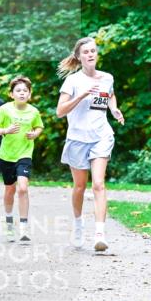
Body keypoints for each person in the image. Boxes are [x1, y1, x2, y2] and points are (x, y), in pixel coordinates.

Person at [55, 36, 125, 252]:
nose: (90, 54)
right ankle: (77, 225)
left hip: (101, 135)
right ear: (79, 56)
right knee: (79, 187)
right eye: (86, 52)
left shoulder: (107, 77)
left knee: (98, 184)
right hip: (77, 138)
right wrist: (81, 96)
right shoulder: (73, 81)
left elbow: (110, 95)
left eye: (93, 51)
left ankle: (99, 234)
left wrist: (114, 109)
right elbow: (59, 112)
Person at [0, 76, 43, 243]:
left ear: (29, 94)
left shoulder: (33, 111)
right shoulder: (4, 110)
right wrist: (6, 129)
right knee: (10, 190)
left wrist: (35, 133)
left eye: (25, 91)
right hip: (6, 156)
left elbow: (39, 126)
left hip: (25, 154)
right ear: (11, 94)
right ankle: (9, 222)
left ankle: (24, 228)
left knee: (23, 188)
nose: (21, 93)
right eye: (18, 91)